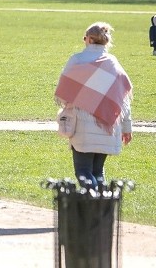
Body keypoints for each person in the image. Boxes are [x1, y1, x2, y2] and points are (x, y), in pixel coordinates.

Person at [55, 23, 133, 187]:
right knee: (98, 172)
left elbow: (64, 93)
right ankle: (103, 207)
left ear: (89, 39)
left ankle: (92, 207)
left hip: (82, 125)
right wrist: (127, 127)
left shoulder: (77, 60)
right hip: (107, 125)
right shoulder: (113, 63)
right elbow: (123, 100)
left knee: (83, 171)